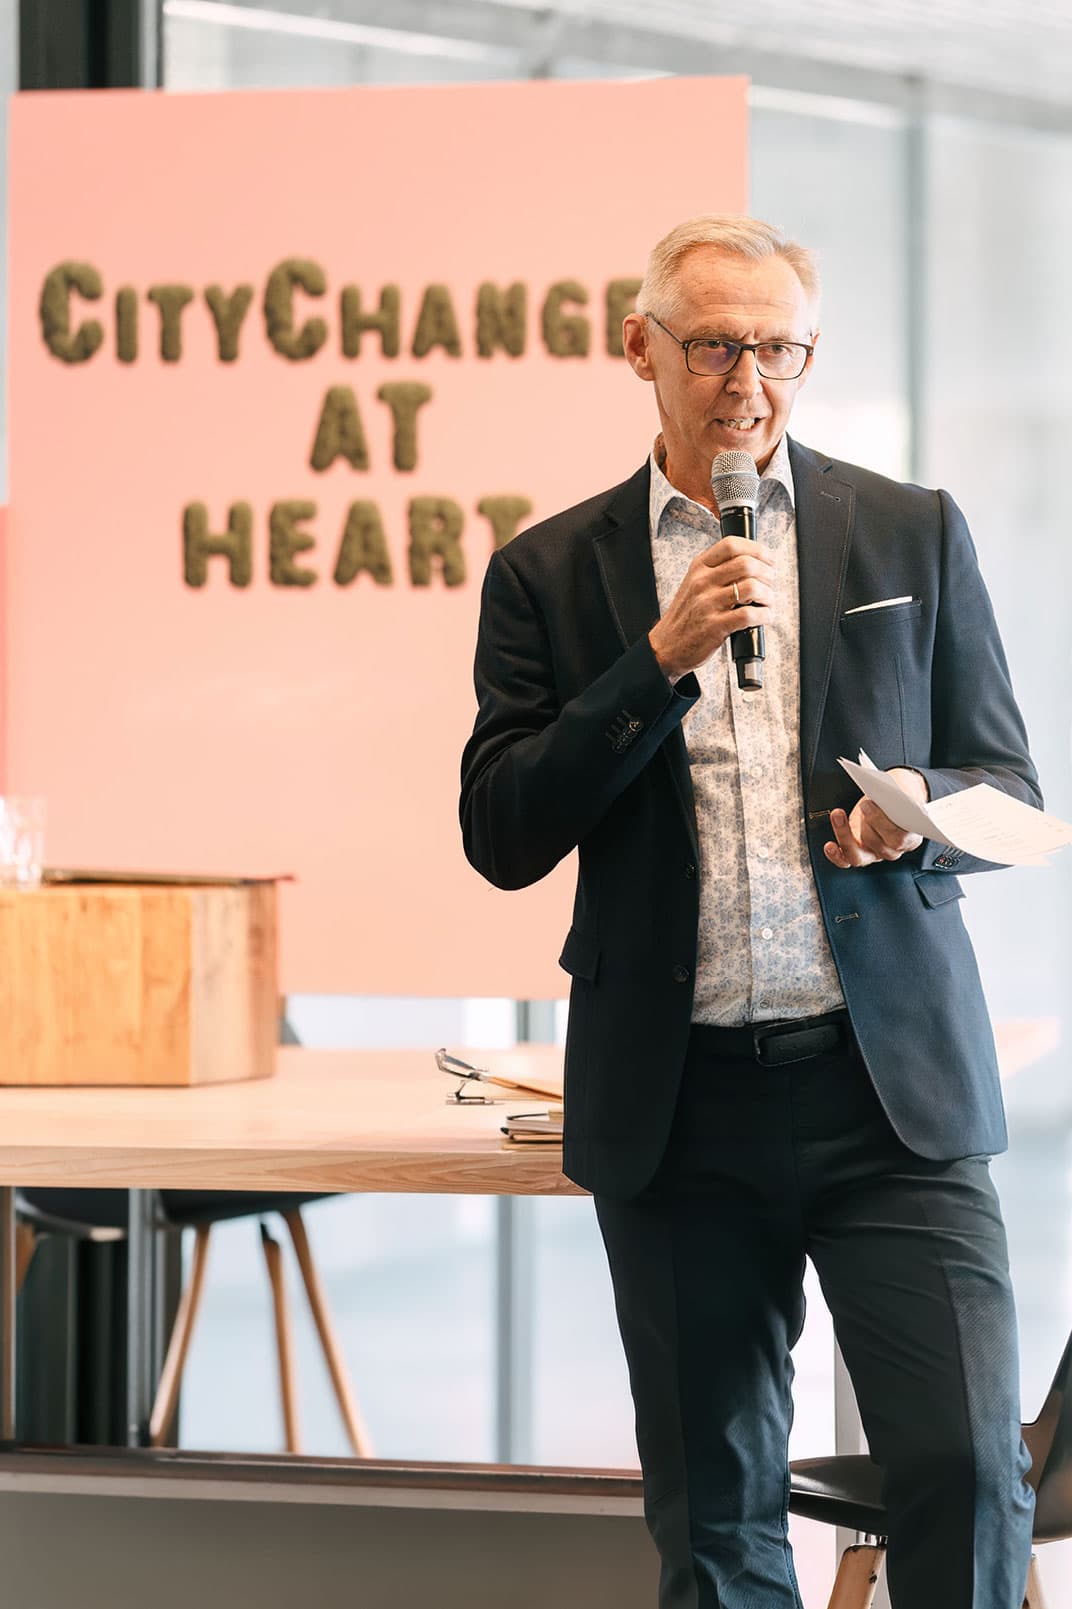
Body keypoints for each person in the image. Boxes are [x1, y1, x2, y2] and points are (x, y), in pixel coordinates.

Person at [459, 214, 1039, 1609]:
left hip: (885, 1089)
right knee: (716, 1515)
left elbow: (1004, 776)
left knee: (963, 1461)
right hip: (680, 1108)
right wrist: (653, 663)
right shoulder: (551, 571)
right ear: (640, 347)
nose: (747, 380)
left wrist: (908, 819)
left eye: (778, 347)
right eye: (715, 344)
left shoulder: (911, 528)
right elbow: (503, 828)